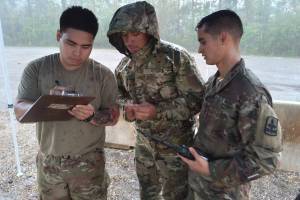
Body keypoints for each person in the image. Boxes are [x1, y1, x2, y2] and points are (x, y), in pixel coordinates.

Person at [14, 6, 119, 200]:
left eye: (85, 47)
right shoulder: (37, 69)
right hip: (49, 163)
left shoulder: (103, 75)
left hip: (89, 164)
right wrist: (46, 104)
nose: (77, 52)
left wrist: (93, 116)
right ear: (58, 36)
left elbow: (114, 116)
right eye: (70, 43)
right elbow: (19, 110)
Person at [179, 10, 283, 200]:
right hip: (198, 188)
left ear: (223, 38)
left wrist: (212, 169)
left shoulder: (251, 92)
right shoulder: (215, 81)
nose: (199, 49)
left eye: (203, 41)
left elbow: (267, 160)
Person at [107, 1, 205, 200]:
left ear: (149, 30)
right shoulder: (125, 65)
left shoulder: (175, 58)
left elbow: (197, 100)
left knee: (177, 195)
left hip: (176, 148)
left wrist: (157, 111)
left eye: (135, 33)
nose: (129, 41)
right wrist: (128, 108)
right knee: (148, 193)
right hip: (144, 145)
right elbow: (118, 96)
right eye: (124, 35)